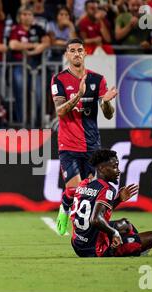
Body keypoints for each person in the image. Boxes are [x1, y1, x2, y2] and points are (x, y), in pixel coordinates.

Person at [50, 38, 117, 236]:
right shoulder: (59, 79)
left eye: (80, 50)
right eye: (72, 51)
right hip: (68, 143)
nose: (77, 53)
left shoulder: (98, 79)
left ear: (85, 53)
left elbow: (108, 114)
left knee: (85, 189)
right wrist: (78, 95)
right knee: (73, 188)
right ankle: (64, 208)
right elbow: (60, 111)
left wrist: (105, 102)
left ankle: (80, 231)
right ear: (67, 55)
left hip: (91, 144)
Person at [70, 149, 152, 257]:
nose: (118, 171)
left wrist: (118, 199)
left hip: (78, 243)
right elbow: (95, 219)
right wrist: (114, 233)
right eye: (115, 167)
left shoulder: (84, 184)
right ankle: (131, 246)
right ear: (101, 168)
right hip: (95, 249)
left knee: (126, 224)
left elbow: (93, 212)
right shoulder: (106, 188)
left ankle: (130, 241)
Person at [9, 4, 50, 124]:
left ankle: (36, 121)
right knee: (21, 92)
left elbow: (46, 42)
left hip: (36, 65)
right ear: (19, 16)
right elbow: (13, 45)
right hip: (19, 65)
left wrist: (33, 51)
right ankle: (23, 121)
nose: (26, 17)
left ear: (33, 16)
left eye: (29, 14)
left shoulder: (38, 29)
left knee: (38, 94)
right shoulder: (15, 29)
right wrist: (33, 46)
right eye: (24, 14)